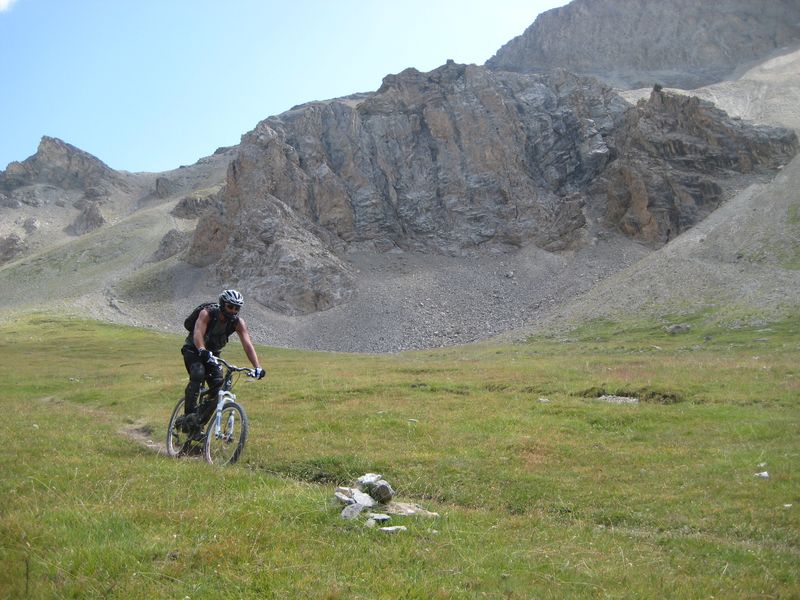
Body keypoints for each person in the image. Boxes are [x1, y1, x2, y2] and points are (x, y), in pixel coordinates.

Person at [176, 289, 265, 433]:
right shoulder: (207, 313)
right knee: (198, 373)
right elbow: (198, 332)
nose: (233, 311)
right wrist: (202, 350)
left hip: (213, 355)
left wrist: (257, 367)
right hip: (193, 350)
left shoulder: (237, 322)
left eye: (237, 308)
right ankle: (188, 418)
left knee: (219, 389)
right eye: (230, 306)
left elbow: (248, 344)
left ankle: (198, 425)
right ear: (223, 304)